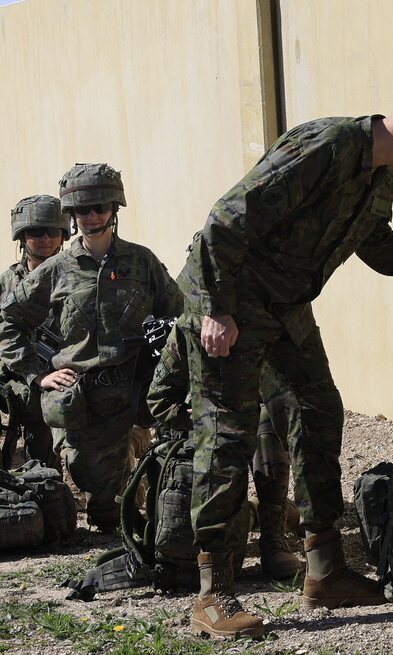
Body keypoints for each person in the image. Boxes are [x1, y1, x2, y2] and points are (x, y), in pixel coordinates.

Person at [176, 88, 393, 639]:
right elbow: (225, 220)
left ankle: (324, 567)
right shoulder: (328, 145)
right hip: (231, 301)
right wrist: (216, 310)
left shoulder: (380, 171)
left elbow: (377, 245)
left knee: (319, 408)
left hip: (285, 305)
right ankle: (213, 593)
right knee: (226, 434)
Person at [0, 163, 183, 531]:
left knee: (170, 490)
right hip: (87, 403)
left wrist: (174, 373)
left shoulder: (142, 261)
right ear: (72, 215)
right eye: (82, 209)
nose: (91, 216)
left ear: (114, 210)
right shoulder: (55, 271)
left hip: (141, 393)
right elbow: (9, 324)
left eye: (100, 207)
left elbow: (178, 316)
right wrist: (39, 375)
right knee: (104, 512)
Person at [146, 324, 303, 580]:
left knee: (267, 420)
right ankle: (240, 525)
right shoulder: (190, 326)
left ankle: (274, 537)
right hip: (205, 436)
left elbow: (294, 391)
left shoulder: (266, 322)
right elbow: (158, 399)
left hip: (251, 429)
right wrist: (192, 417)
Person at [0, 195, 70, 469]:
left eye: (52, 231)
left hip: (64, 377)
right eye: (35, 231)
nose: (45, 238)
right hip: (18, 378)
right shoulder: (6, 284)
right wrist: (33, 374)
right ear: (21, 236)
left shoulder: (77, 276)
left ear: (63, 234)